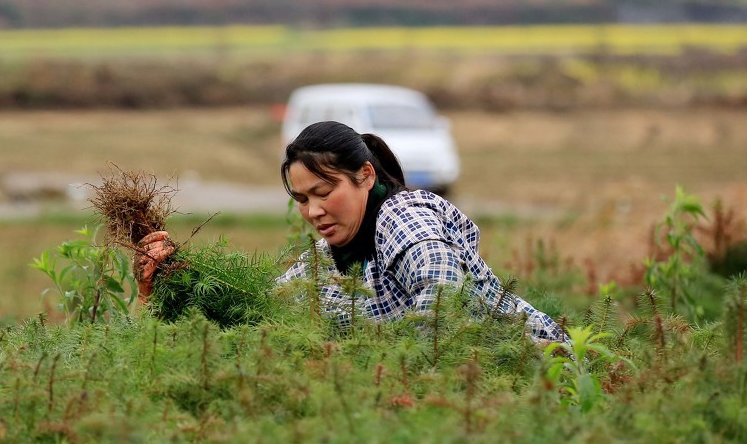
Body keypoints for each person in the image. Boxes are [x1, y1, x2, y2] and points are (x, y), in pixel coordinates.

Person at [136, 120, 566, 343]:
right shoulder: (324, 263)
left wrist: (398, 374)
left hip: (540, 374)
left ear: (364, 175)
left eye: (324, 192)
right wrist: (169, 281)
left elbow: (441, 294)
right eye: (302, 200)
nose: (314, 211)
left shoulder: (403, 215)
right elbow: (263, 315)